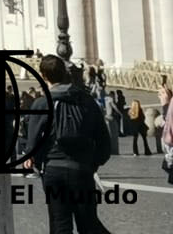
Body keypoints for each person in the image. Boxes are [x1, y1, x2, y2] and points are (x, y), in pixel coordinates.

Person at [19, 53, 113, 234]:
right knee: (89, 224)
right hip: (82, 169)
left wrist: (37, 163)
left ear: (43, 76)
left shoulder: (41, 103)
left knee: (60, 225)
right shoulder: (87, 101)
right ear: (65, 73)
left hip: (54, 171)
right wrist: (92, 164)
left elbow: (32, 144)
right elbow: (104, 142)